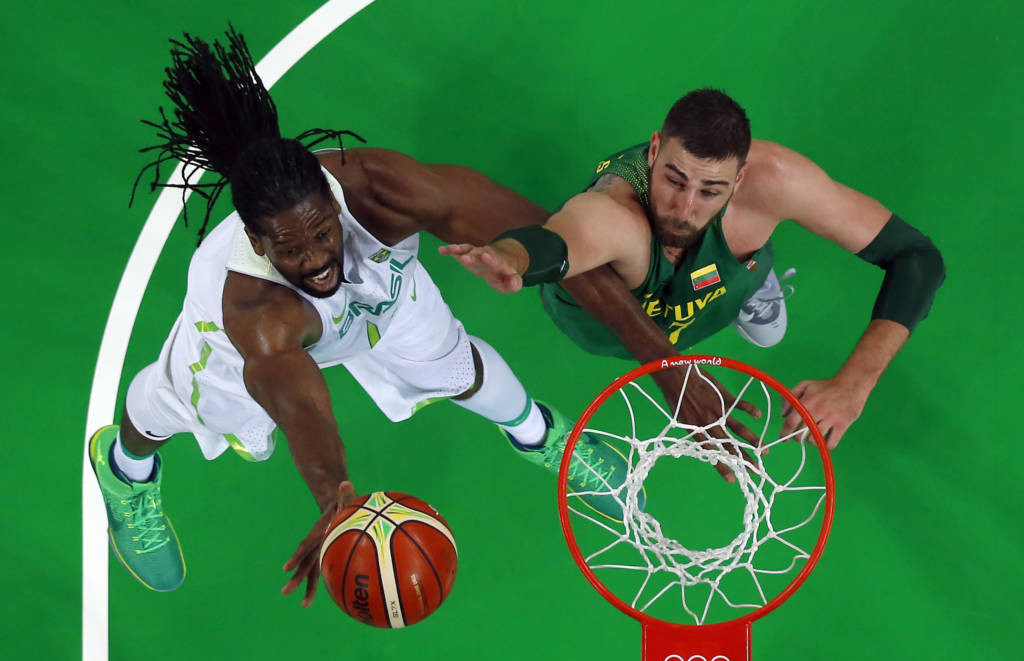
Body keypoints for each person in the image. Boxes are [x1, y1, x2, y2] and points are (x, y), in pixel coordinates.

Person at [87, 27, 631, 606]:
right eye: (292, 247)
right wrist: (332, 493)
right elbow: (301, 405)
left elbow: (548, 236)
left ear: (330, 197)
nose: (317, 259)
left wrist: (660, 357)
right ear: (256, 239)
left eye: (322, 233)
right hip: (237, 346)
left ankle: (545, 438)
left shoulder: (377, 191)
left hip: (374, 286)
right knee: (173, 409)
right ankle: (124, 471)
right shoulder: (251, 309)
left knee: (456, 365)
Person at [441, 88, 945, 458]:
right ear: (655, 150)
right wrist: (513, 257)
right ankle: (732, 271)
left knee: (757, 302)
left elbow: (917, 259)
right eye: (674, 180)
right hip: (620, 312)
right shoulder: (616, 213)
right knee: (623, 277)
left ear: (740, 176)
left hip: (720, 273)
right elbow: (557, 241)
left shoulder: (774, 180)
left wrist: (853, 385)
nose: (683, 209)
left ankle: (746, 273)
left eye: (710, 191)